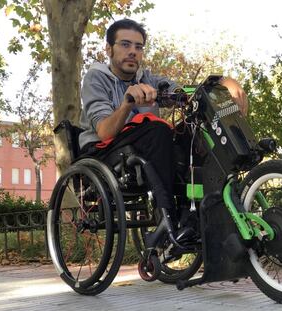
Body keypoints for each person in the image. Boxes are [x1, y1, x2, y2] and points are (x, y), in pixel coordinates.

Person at [79, 18, 248, 244]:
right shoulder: (96, 78)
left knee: (194, 129)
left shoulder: (149, 79)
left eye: (138, 47)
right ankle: (167, 218)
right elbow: (104, 132)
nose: (133, 52)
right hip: (104, 151)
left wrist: (222, 82)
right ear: (109, 49)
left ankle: (196, 215)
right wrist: (127, 102)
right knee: (157, 128)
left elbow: (188, 93)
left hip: (144, 145)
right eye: (125, 45)